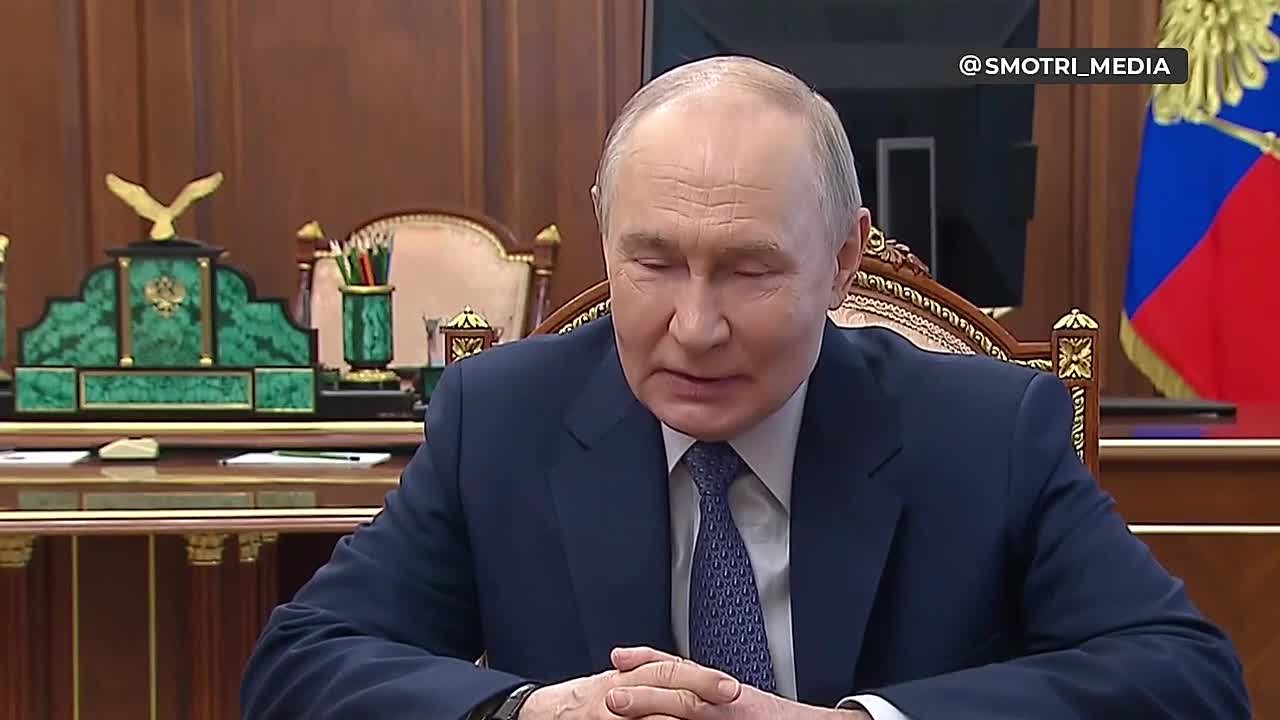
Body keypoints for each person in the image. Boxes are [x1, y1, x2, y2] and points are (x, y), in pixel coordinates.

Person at [241, 56, 1250, 720]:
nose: (693, 327)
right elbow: (300, 665)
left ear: (843, 261)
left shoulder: (986, 432)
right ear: (604, 233)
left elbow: (1186, 678)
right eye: (652, 263)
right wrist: (527, 709)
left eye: (748, 270)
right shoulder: (500, 418)